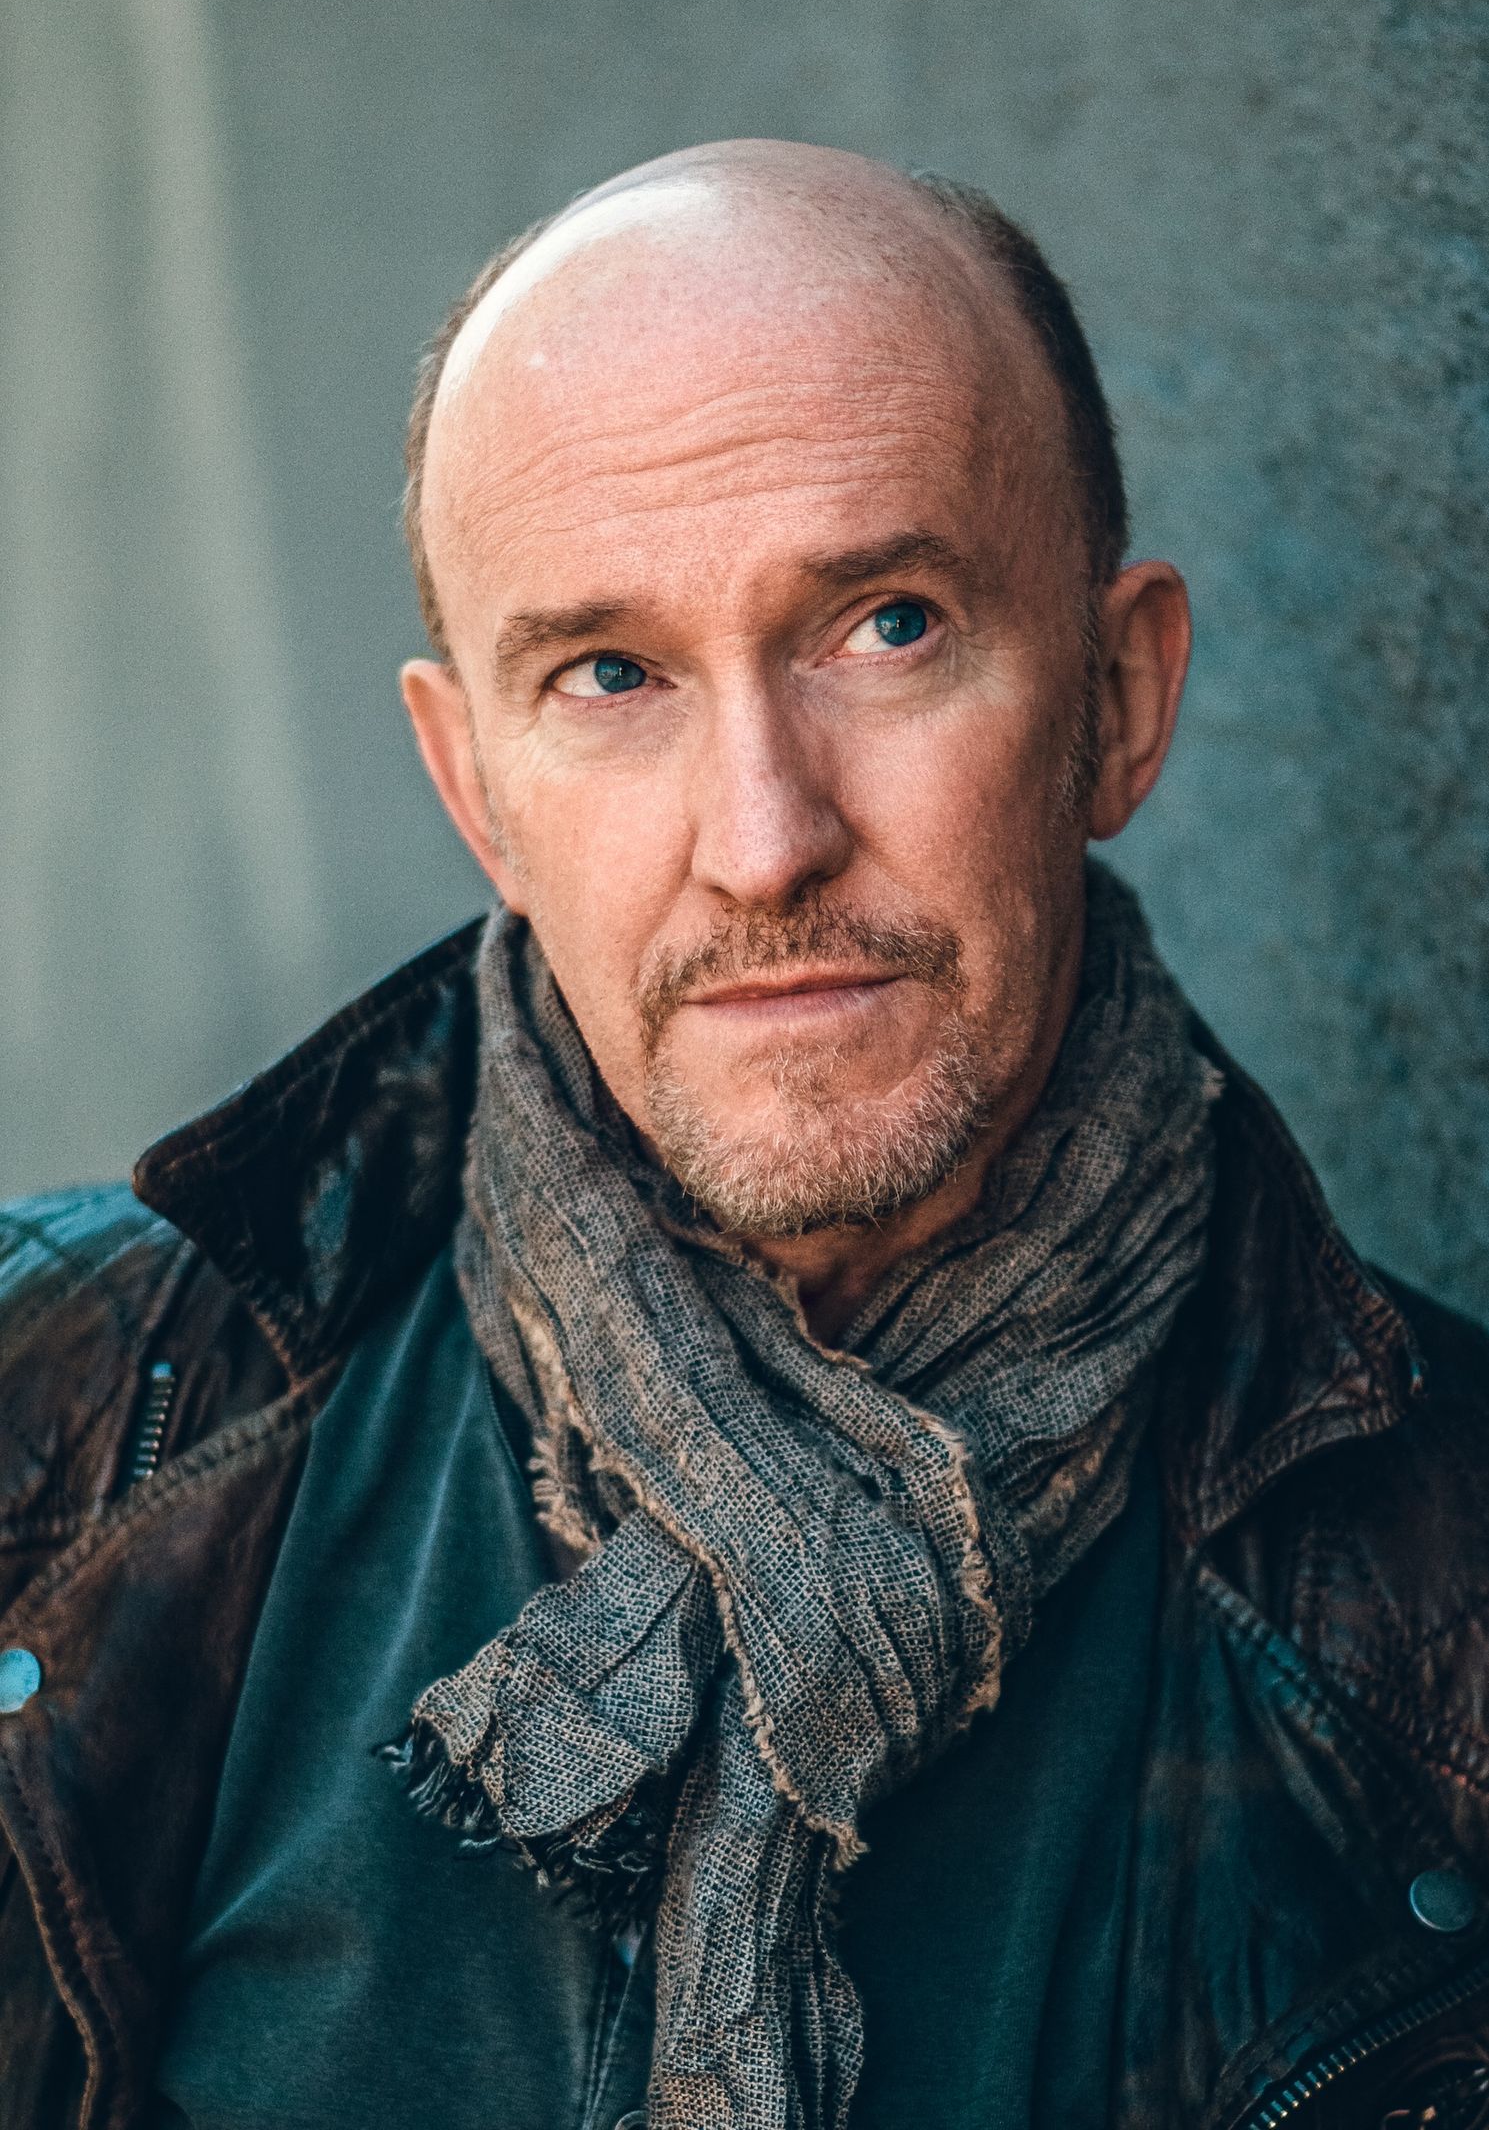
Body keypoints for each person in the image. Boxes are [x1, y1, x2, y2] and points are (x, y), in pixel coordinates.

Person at [1, 140, 1486, 2130]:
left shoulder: (1449, 1616)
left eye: (886, 627)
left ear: (1120, 699)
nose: (765, 839)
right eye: (609, 674)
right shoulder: (52, 1432)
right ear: (475, 789)